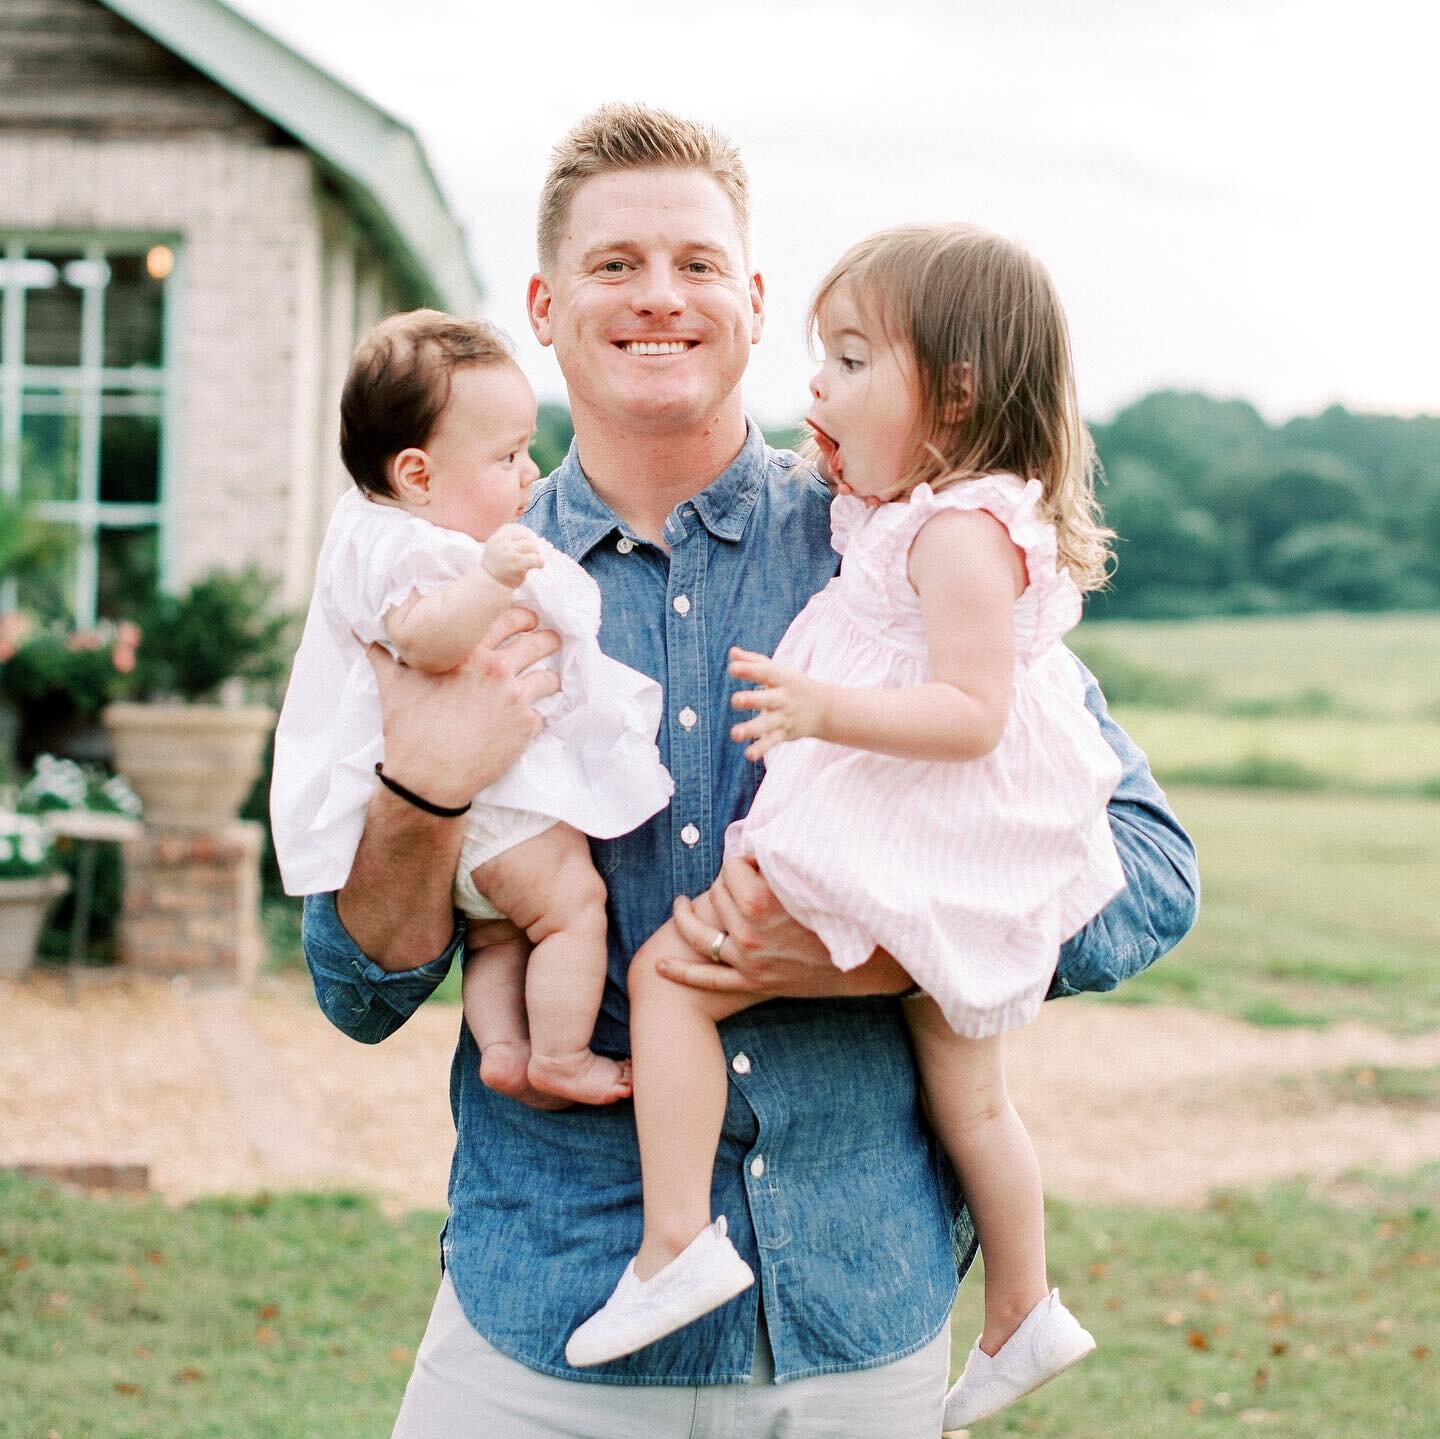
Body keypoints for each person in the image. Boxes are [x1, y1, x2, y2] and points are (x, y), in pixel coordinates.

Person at [301, 103, 1199, 1439]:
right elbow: (356, 983)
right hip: (548, 1317)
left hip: (855, 1316)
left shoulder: (892, 552)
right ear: (545, 306)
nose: (659, 295)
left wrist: (874, 949)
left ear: (753, 298)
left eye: (697, 263)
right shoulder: (441, 582)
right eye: (615, 265)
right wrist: (421, 797)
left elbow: (1147, 867)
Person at [568, 223, 1122, 1430]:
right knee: (972, 1096)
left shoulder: (957, 534)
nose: (818, 387)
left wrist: (824, 706)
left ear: (958, 392)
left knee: (671, 974)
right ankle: (1025, 1305)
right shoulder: (911, 511)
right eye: (821, 360)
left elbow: (973, 711)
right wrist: (848, 459)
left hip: (901, 837)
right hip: (945, 846)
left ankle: (675, 1241)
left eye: (855, 362)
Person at [272, 311, 672, 1107]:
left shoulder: (392, 533)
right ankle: (558, 1054)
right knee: (570, 910)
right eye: (509, 456)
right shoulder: (421, 547)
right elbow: (424, 638)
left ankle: (503, 1047)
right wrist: (492, 578)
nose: (531, 473)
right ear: (419, 476)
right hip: (499, 809)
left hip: (480, 838)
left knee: (497, 936)